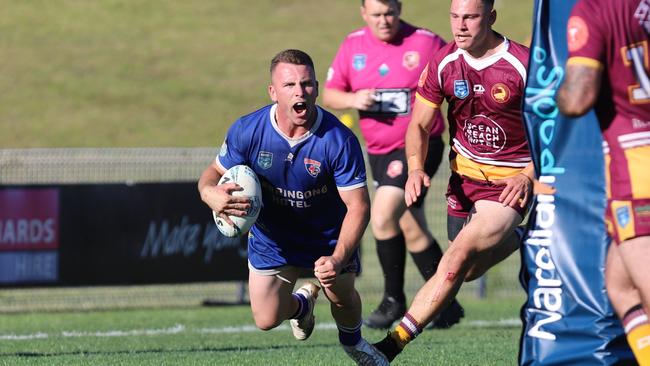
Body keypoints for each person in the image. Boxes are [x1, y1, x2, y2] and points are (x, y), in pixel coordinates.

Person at [198, 49, 389, 366]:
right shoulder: (248, 130)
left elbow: (358, 207)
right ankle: (302, 306)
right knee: (265, 319)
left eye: (307, 84)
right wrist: (209, 193)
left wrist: (338, 257)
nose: (300, 92)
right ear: (273, 92)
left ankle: (354, 344)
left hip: (327, 237)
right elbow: (213, 173)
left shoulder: (339, 140)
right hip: (274, 238)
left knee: (341, 294)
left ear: (316, 86)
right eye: (289, 85)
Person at [372, 0, 533, 361]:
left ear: (490, 17)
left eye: (471, 17)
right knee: (467, 270)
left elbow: (555, 128)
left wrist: (528, 175)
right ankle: (524, 236)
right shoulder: (445, 62)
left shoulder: (523, 64)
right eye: (455, 17)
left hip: (511, 182)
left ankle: (391, 345)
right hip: (464, 180)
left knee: (457, 256)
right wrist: (415, 168)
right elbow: (419, 124)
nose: (460, 26)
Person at [322, 0, 464, 330]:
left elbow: (456, 78)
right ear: (364, 14)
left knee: (384, 213)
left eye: (389, 12)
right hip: (378, 152)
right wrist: (353, 99)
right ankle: (446, 303)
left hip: (418, 147)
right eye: (376, 14)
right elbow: (330, 94)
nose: (384, 20)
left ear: (399, 8)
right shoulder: (353, 44)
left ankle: (392, 300)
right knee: (410, 225)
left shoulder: (426, 42)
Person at [556, 0, 650, 363]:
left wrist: (557, 92)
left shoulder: (595, 8)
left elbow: (578, 98)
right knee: (621, 285)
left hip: (638, 170)